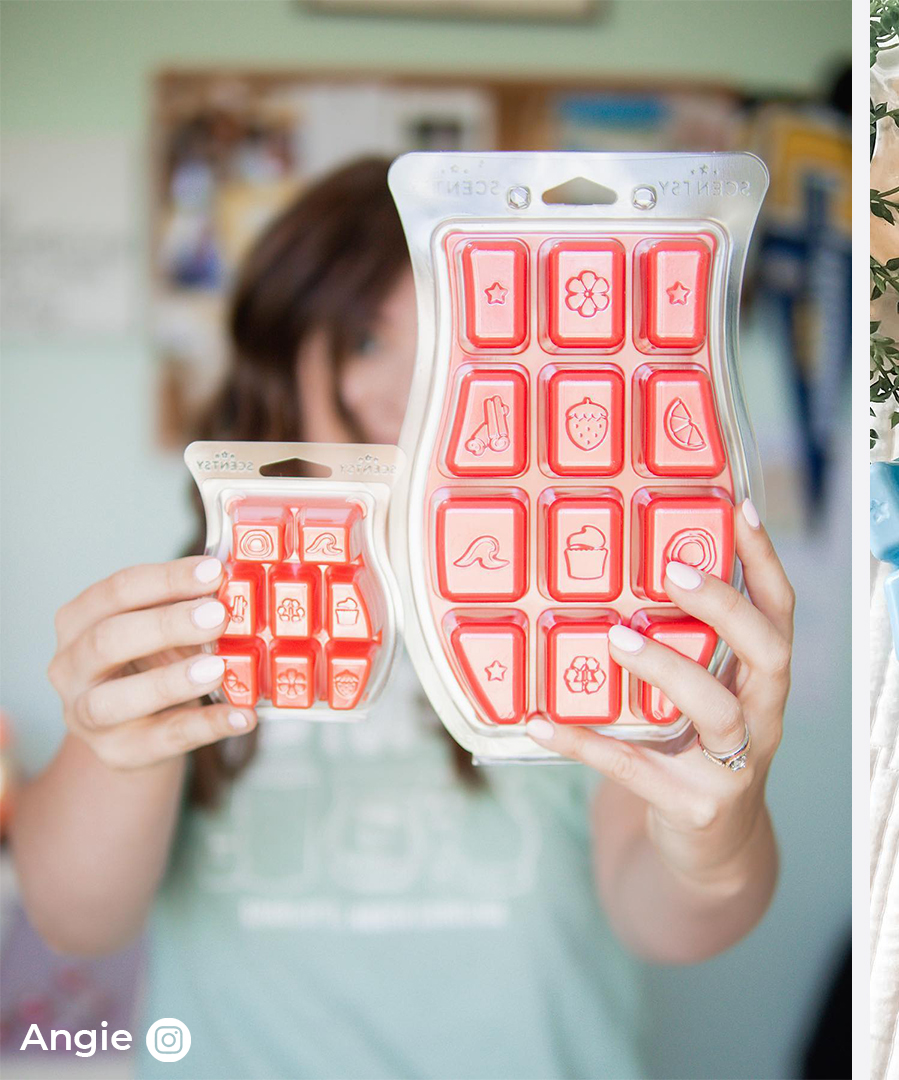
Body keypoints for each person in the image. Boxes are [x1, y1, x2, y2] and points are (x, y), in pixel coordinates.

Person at [8, 157, 793, 1078]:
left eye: (453, 346)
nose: (410, 394)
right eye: (367, 341)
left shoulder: (587, 606)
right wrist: (112, 740)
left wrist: (717, 839)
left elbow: (664, 916)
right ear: (285, 350)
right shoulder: (208, 614)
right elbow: (74, 919)